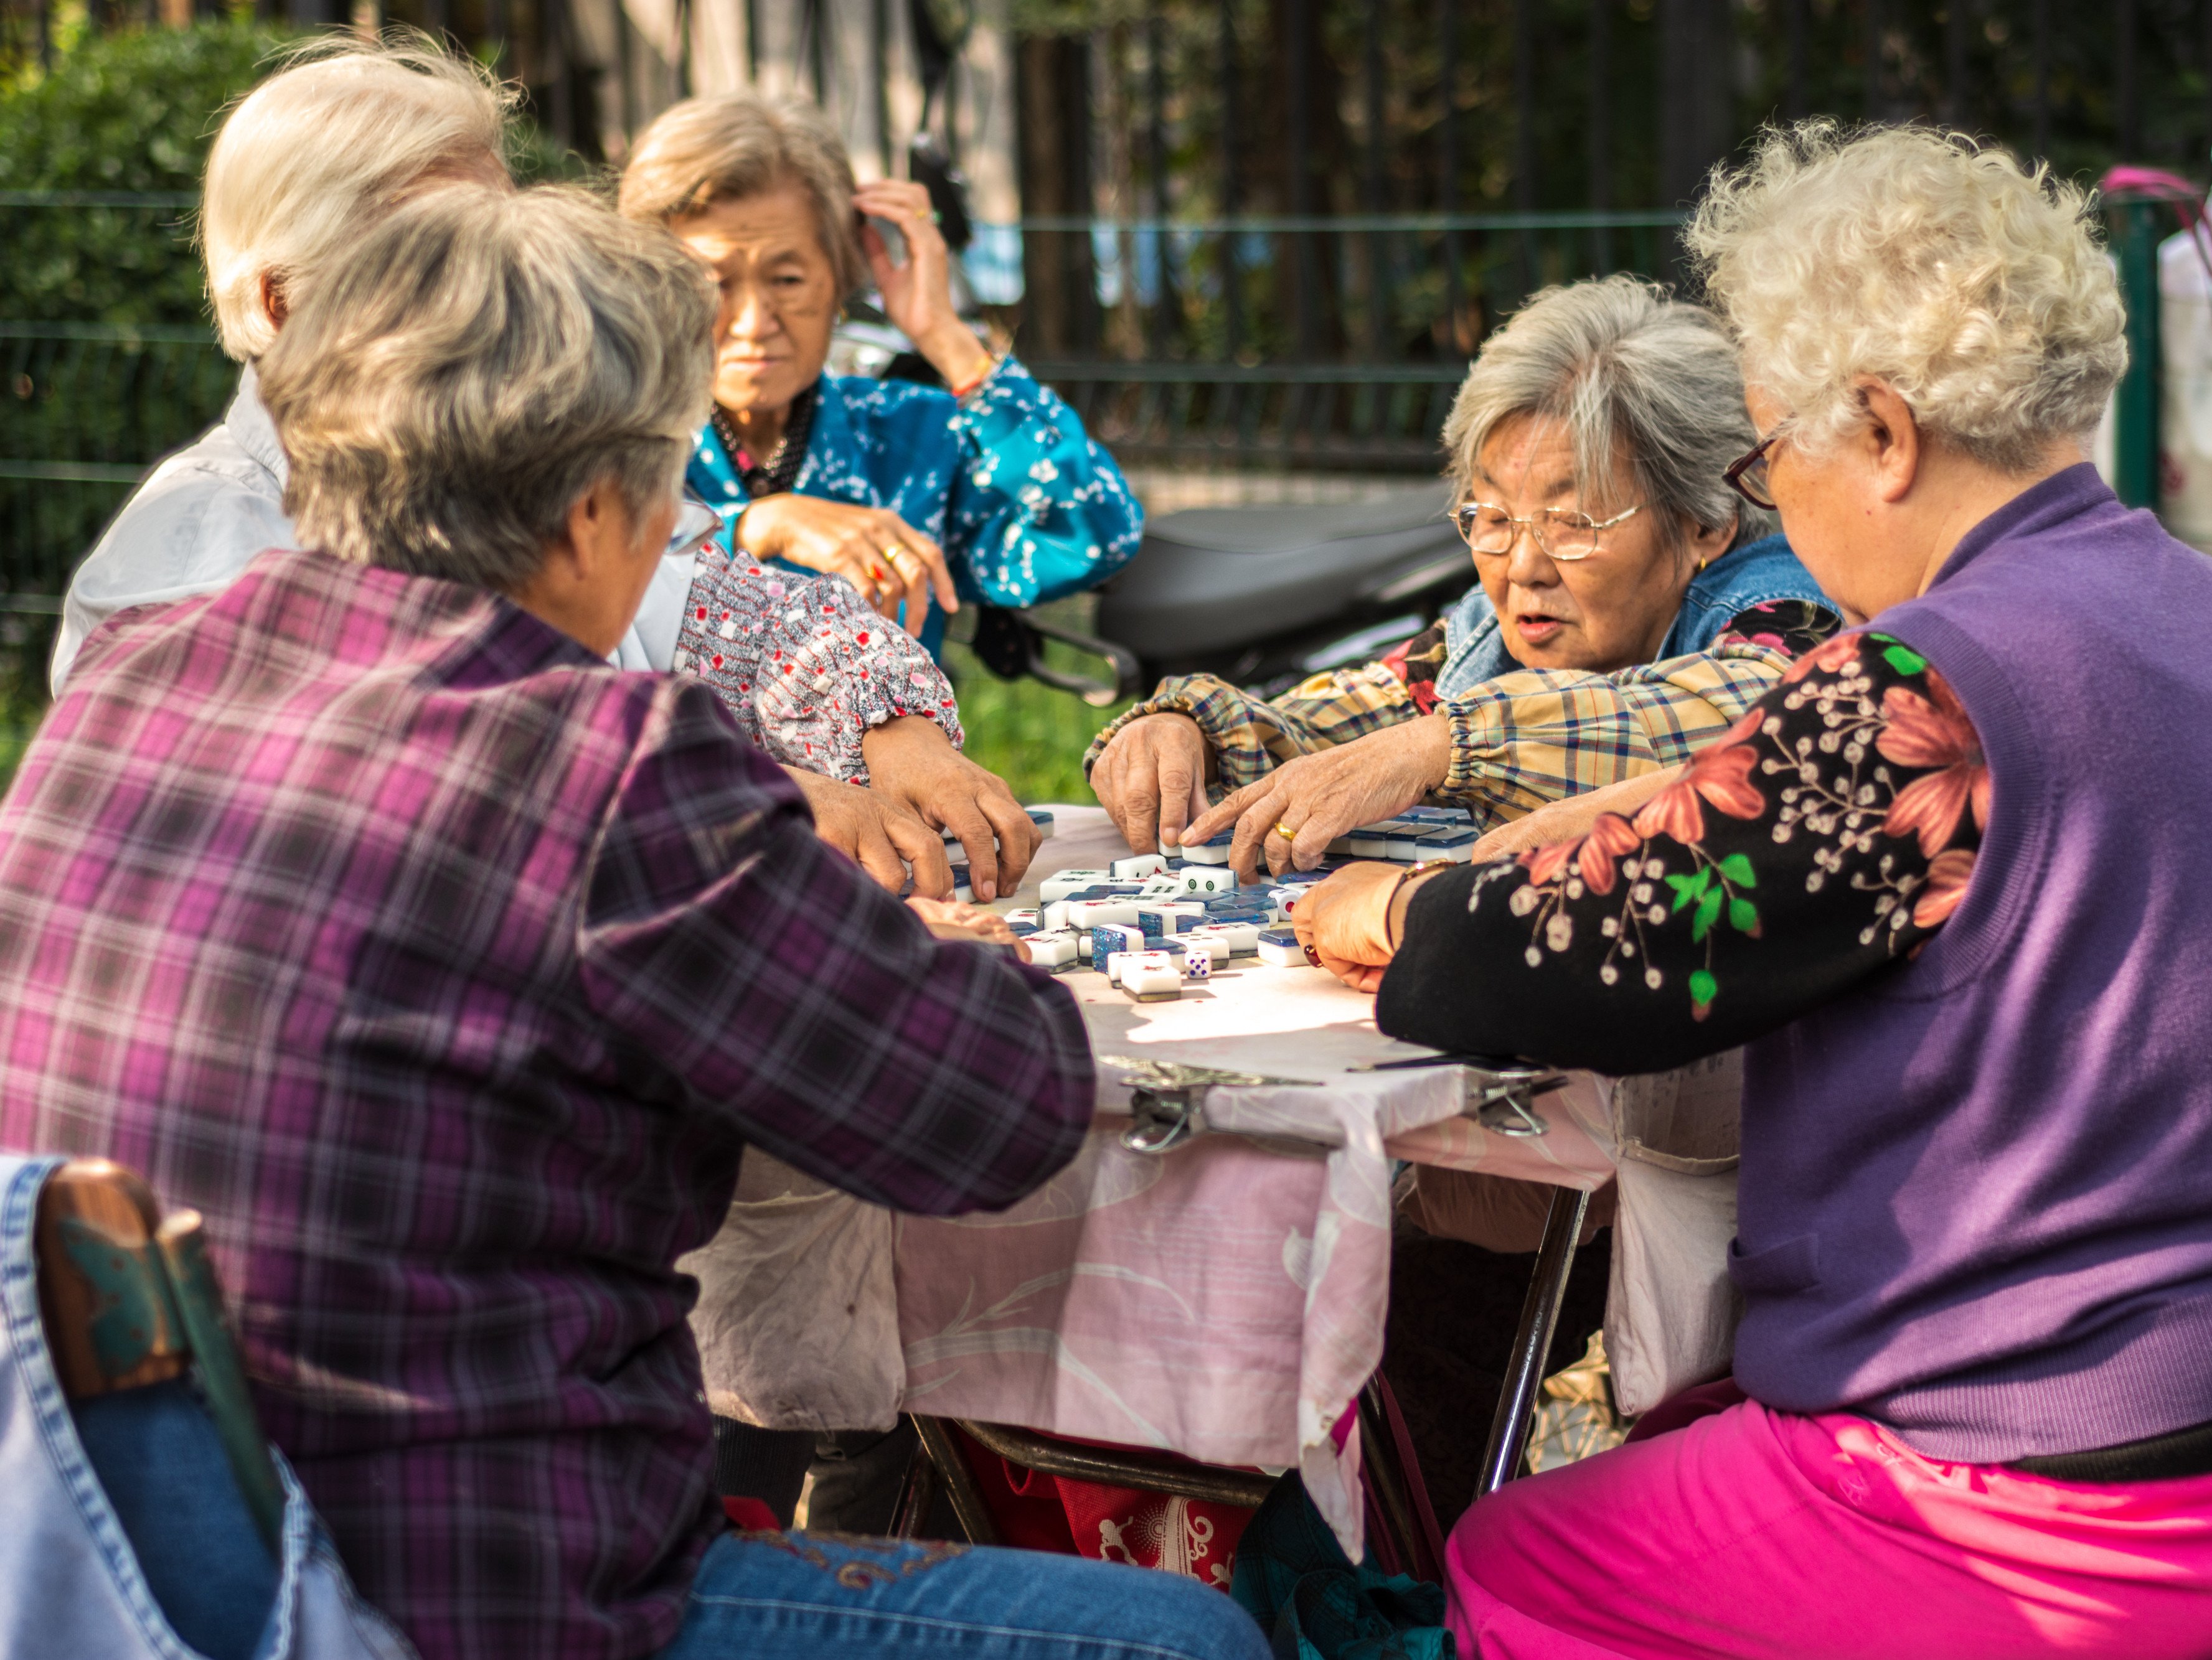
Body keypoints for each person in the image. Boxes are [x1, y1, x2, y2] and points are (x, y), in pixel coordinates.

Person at [0, 182, 1264, 1660]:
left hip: (126, 1566)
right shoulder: (606, 768)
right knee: (1188, 1645)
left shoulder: (127, 685)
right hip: (473, 1606)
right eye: (668, 490)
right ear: (599, 511)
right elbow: (996, 1112)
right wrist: (941, 956)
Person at [1297, 123, 2212, 1659]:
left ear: (1885, 435)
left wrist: (1390, 916)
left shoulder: (1927, 683)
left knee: (1524, 1559)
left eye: (1772, 453)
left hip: (2120, 1495)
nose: (1771, 496)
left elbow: (1570, 963)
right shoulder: (2192, 600)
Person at [49, 40, 1033, 901]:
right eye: (438, 264)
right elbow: (424, 813)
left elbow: (743, 612)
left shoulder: (506, 469)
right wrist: (739, 797)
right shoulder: (191, 554)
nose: (511, 297)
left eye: (507, 249)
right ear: (277, 306)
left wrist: (891, 726)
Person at [1085, 278, 1838, 879]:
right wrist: (1189, 729)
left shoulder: (1783, 603)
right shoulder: (1486, 634)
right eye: (1493, 517)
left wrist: (1442, 746)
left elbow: (1764, 714)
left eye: (1574, 523)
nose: (1522, 568)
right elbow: (1339, 724)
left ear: (1705, 520)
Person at [618, 94, 1142, 655]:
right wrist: (756, 525)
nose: (754, 322)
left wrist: (945, 334)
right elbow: (579, 588)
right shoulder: (620, 443)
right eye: (713, 283)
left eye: (789, 279)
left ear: (840, 280)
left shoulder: (910, 436)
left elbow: (1093, 533)